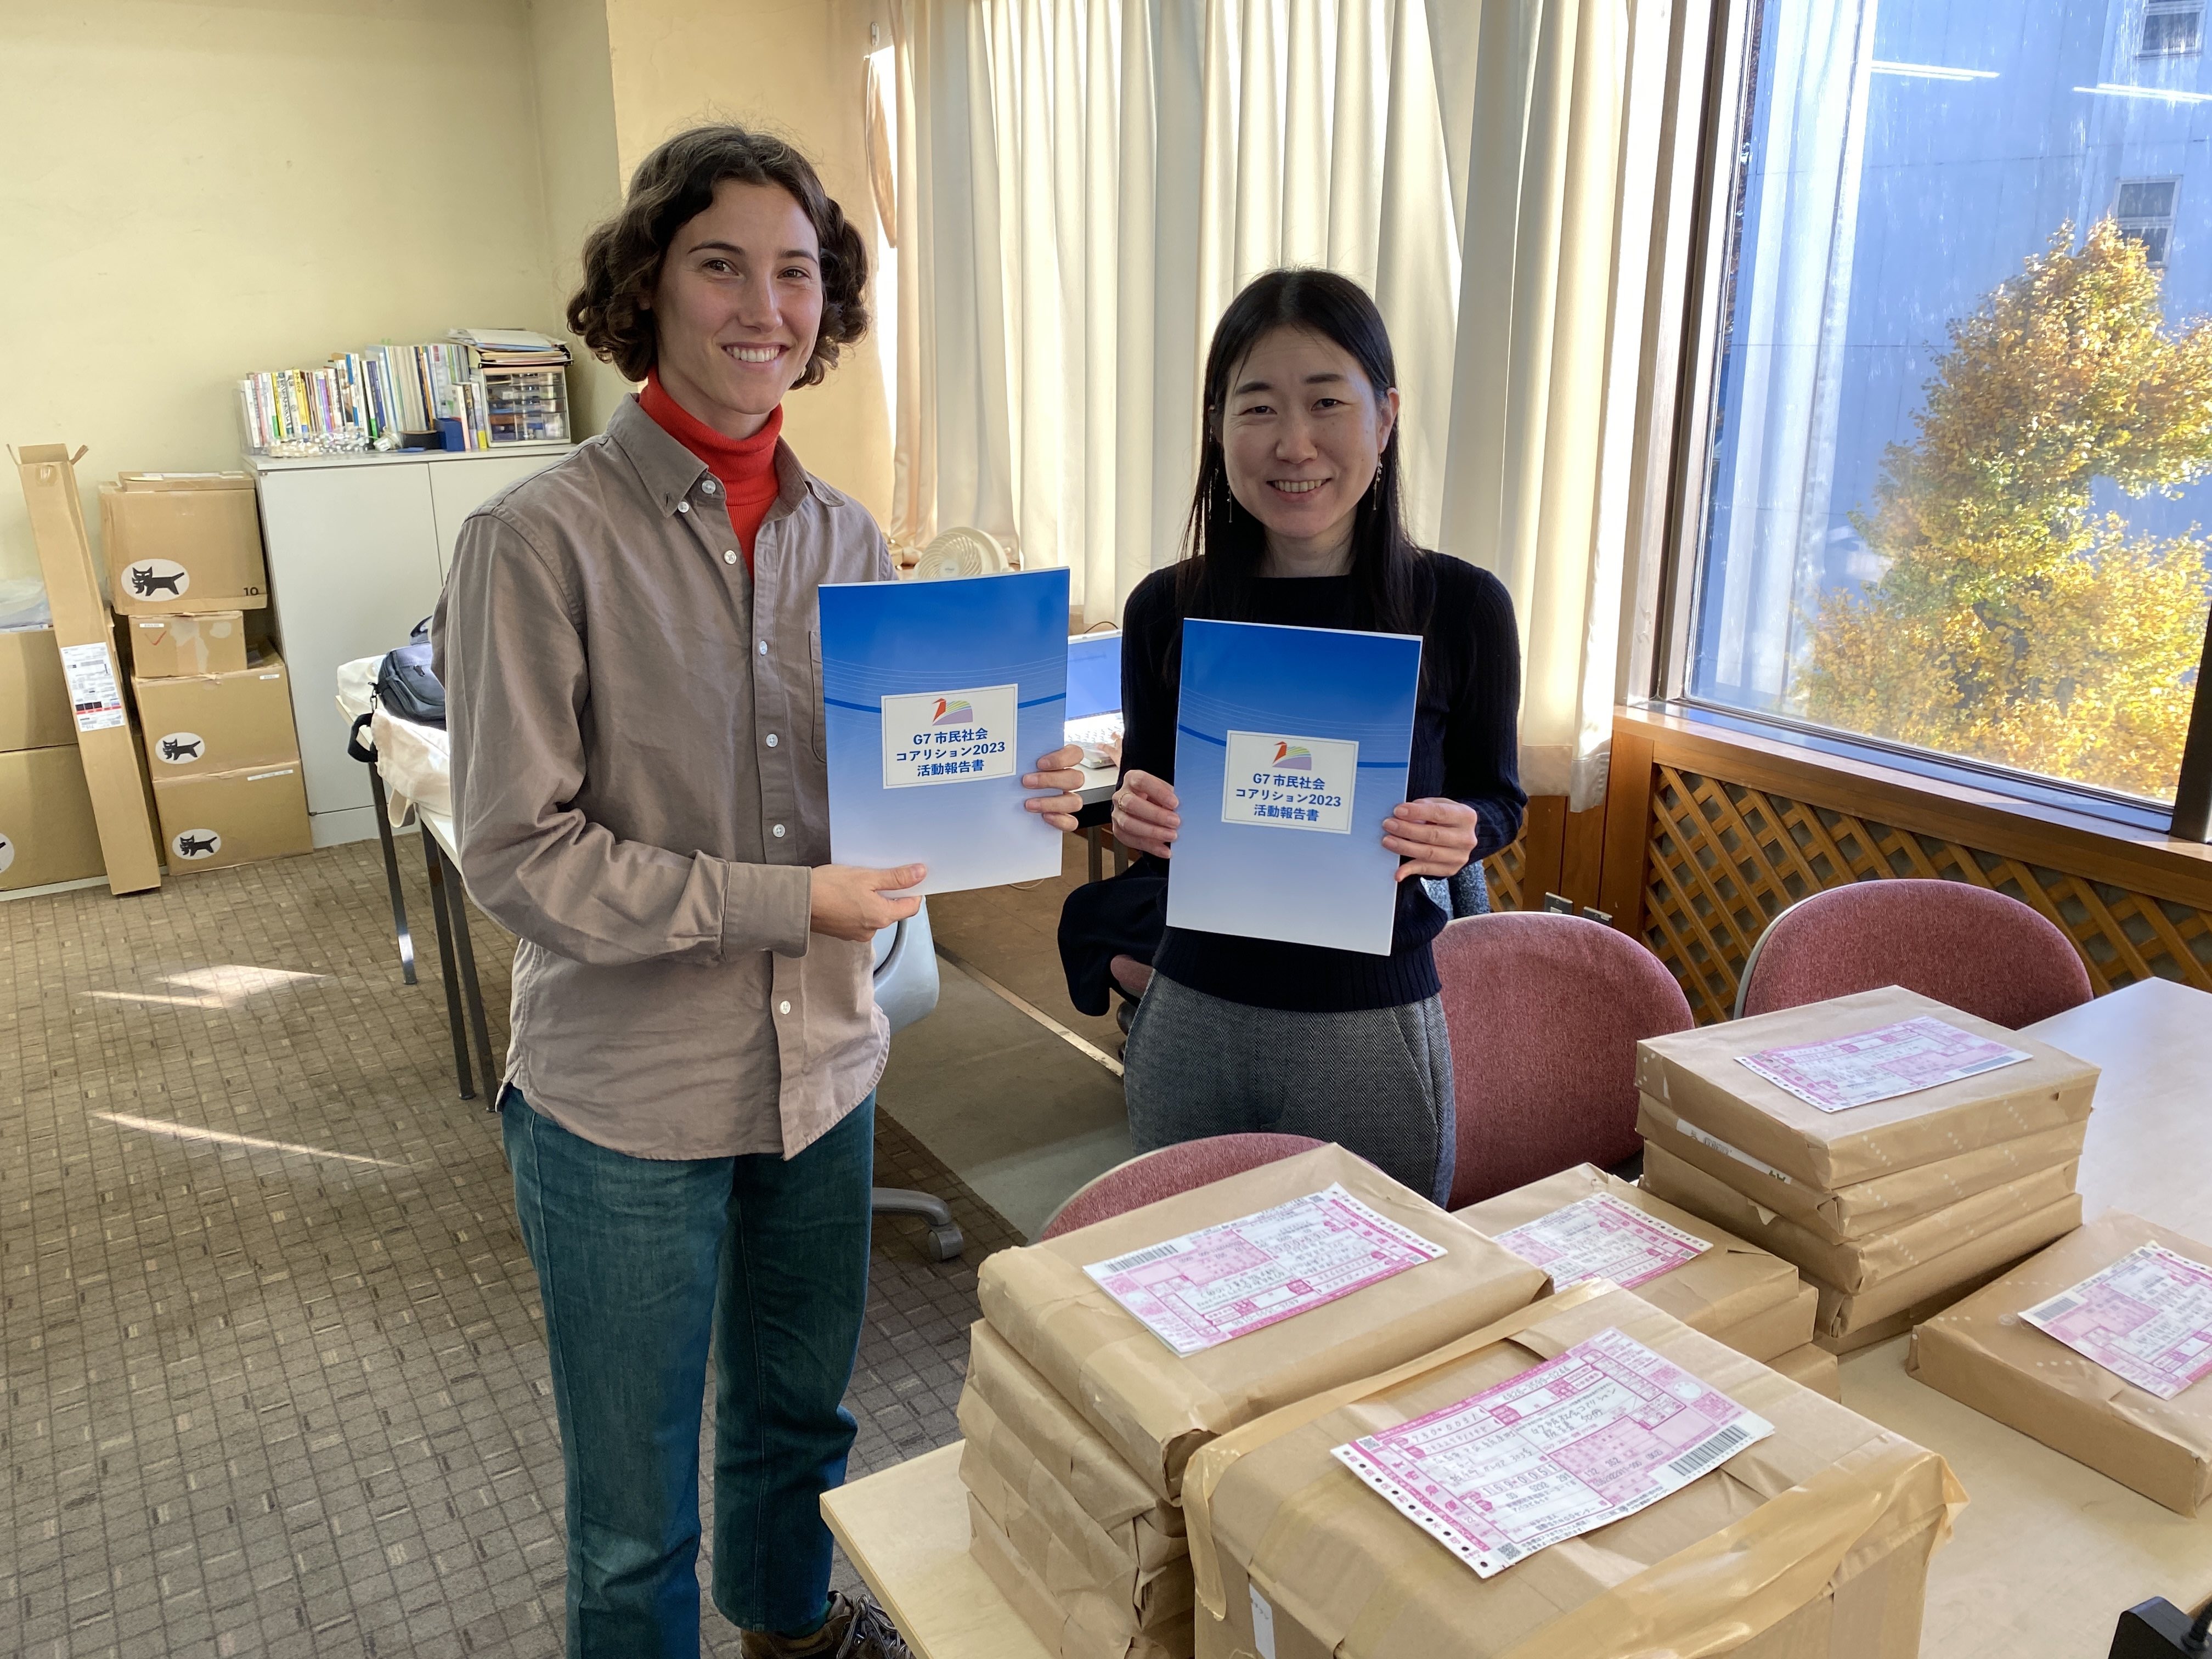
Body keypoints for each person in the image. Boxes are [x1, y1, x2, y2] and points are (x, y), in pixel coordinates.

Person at [435, 125, 1084, 1659]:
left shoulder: (847, 536)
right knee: (631, 1513)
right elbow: (520, 853)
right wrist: (788, 908)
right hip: (625, 1097)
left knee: (802, 1424)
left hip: (825, 1070)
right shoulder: (536, 539)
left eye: (796, 273)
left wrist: (1007, 791)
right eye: (720, 265)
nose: (763, 307)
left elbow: (876, 796)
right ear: (648, 287)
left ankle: (792, 1636)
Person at [1109, 268, 1526, 1206]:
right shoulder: (1165, 608)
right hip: (1197, 1007)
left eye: (1327, 403)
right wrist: (1140, 811)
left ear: (1386, 417)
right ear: (1218, 426)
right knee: (1184, 1265)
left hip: (1371, 1021)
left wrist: (1466, 829)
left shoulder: (1462, 606)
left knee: (1381, 1278)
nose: (1293, 443)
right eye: (1258, 406)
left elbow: (1499, 797)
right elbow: (1149, 790)